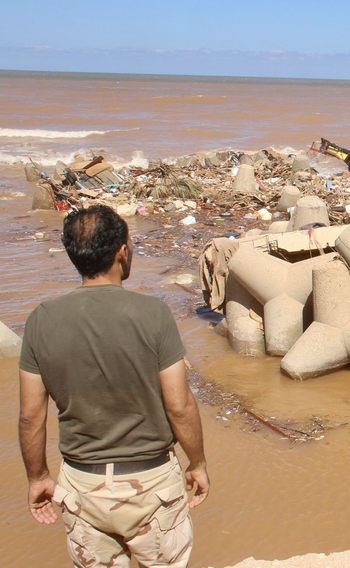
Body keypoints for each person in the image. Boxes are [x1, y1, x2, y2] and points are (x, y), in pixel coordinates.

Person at [19, 205, 209, 568]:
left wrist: (38, 477)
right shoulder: (153, 314)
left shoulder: (41, 320)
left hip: (82, 485)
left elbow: (31, 417)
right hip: (151, 484)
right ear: (122, 252)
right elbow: (179, 405)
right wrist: (197, 463)